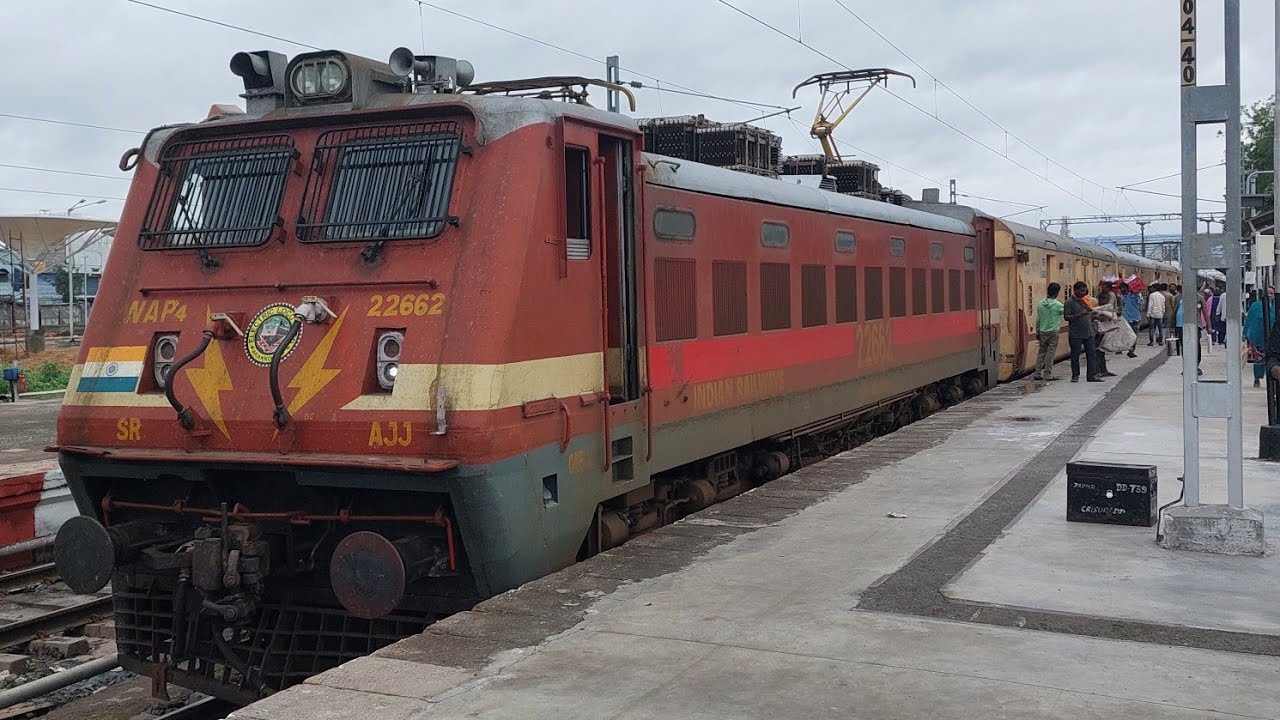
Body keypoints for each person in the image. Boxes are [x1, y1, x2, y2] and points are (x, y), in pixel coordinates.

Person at [1065, 281, 1103, 383]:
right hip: (1076, 333)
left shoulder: (1085, 301)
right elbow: (1066, 317)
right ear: (1075, 290)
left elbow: (1090, 313)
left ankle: (1092, 375)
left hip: (1088, 332)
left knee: (1091, 354)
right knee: (1075, 355)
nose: (1083, 293)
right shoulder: (1069, 302)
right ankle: (1075, 375)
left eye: (1085, 291)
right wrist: (1079, 315)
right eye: (1081, 291)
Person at [1032, 282, 1065, 381]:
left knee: (1041, 352)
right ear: (1057, 293)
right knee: (1050, 353)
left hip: (1042, 331)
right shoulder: (1058, 305)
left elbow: (1038, 319)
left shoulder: (1040, 304)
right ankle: (1048, 373)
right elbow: (1067, 313)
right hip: (1053, 332)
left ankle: (1037, 372)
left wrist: (1038, 332)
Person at [1245, 286, 1277, 387]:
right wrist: (1246, 334)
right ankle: (1257, 378)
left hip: (1273, 337)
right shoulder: (1256, 306)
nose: (1270, 296)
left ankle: (1272, 380)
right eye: (1268, 293)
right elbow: (1250, 320)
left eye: (1272, 293)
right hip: (1258, 336)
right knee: (1258, 359)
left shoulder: (1276, 306)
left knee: (1273, 359)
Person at [1092, 286, 1117, 377]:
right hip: (1097, 333)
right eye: (1104, 299)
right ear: (1099, 299)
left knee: (1101, 352)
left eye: (1107, 299)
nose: (1106, 301)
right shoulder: (1096, 309)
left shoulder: (1105, 308)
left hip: (1103, 333)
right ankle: (1098, 371)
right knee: (1097, 352)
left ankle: (1103, 370)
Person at [1119, 284, 1142, 357]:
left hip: (1135, 318)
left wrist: (1138, 294)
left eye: (1123, 287)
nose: (1122, 289)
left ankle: (1131, 350)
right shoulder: (1122, 297)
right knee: (1123, 334)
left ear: (1127, 288)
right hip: (1125, 318)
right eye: (1121, 288)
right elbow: (1121, 306)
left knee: (1134, 335)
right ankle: (1121, 348)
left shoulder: (1134, 295)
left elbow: (1141, 302)